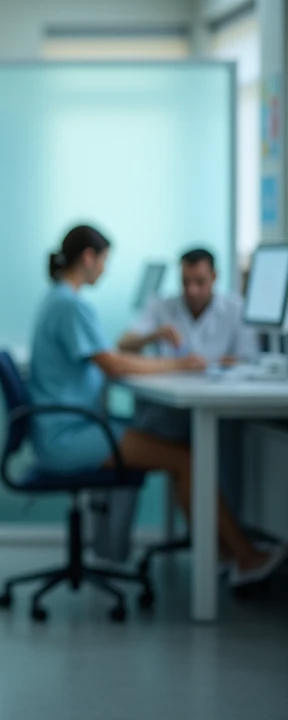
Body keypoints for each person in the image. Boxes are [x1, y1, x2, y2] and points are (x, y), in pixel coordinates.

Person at [29, 225, 285, 587]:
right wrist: (179, 363)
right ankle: (241, 555)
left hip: (67, 426)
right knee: (187, 460)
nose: (104, 269)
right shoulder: (71, 305)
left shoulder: (58, 298)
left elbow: (111, 359)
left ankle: (224, 554)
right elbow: (114, 363)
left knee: (179, 451)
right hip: (69, 434)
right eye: (104, 261)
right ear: (88, 258)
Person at [119, 247, 258, 442]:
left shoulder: (236, 308)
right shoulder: (161, 306)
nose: (192, 290)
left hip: (217, 407)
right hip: (170, 411)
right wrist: (153, 335)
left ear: (215, 276)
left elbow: (248, 360)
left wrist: (217, 363)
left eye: (200, 282)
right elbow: (123, 344)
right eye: (185, 282)